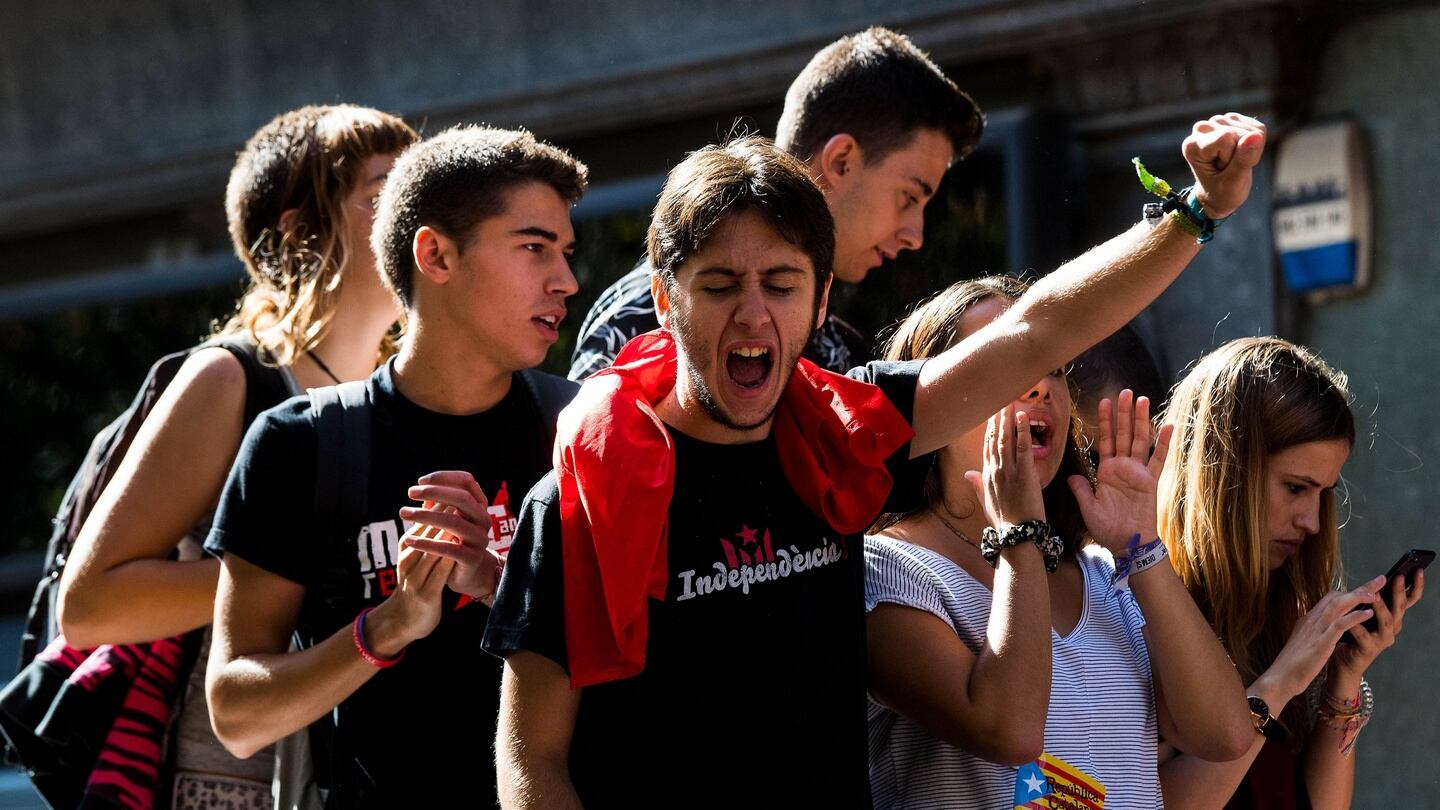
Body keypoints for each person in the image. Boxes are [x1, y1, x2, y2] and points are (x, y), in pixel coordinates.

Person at [487, 112, 1265, 809]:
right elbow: (531, 763)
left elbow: (1036, 334)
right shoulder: (577, 500)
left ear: (822, 301)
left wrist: (1195, 213)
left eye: (782, 285)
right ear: (664, 299)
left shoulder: (843, 435)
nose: (754, 312)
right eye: (719, 284)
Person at [203, 125, 587, 808]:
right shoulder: (302, 444)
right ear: (435, 255)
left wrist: (503, 587)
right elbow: (234, 712)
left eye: (564, 252)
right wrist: (392, 624)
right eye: (534, 248)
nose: (565, 281)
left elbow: (656, 663)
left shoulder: (584, 430)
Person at [55, 104, 416, 807]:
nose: (415, 209)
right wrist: (298, 569)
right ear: (303, 233)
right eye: (385, 191)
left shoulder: (390, 391)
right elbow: (90, 605)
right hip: (227, 781)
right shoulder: (232, 378)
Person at [863, 277, 1251, 809]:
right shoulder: (889, 567)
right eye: (1004, 364)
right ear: (934, 399)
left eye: (1056, 368)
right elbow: (1011, 731)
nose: (1040, 386)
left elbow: (1224, 735)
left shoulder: (1099, 570)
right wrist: (1020, 536)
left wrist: (1144, 549)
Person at [567, 26, 984, 379]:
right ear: (841, 161)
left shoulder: (842, 353)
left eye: (780, 288)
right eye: (909, 197)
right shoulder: (639, 319)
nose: (916, 235)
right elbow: (578, 466)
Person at [1155, 337, 1424, 809]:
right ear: (1224, 475)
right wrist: (1277, 685)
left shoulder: (1272, 609)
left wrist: (1342, 677)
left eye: (1323, 492)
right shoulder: (1132, 605)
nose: (1313, 522)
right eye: (1296, 488)